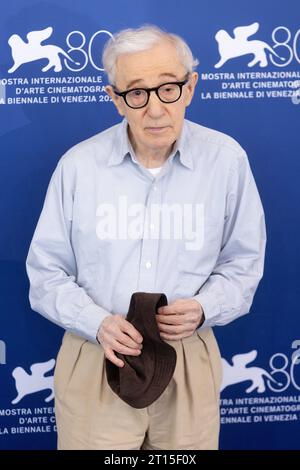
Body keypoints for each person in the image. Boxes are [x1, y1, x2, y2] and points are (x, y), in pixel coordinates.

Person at [26, 25, 266, 450]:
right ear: (115, 99)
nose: (155, 109)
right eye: (136, 93)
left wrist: (205, 307)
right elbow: (46, 273)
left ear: (191, 87)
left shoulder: (227, 162)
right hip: (96, 356)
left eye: (168, 88)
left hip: (188, 358)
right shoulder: (78, 167)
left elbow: (243, 262)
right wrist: (95, 323)